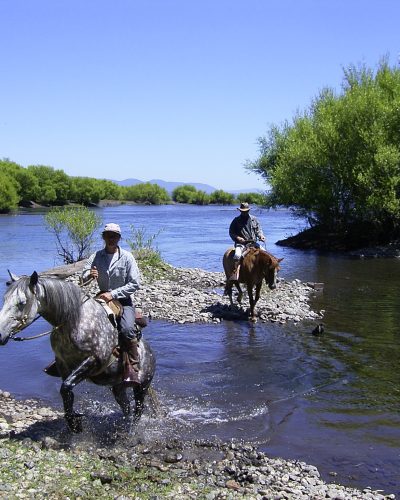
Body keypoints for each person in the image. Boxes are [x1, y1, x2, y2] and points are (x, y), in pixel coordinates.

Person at [82, 222, 141, 384]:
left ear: (119, 238)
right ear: (103, 237)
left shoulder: (127, 257)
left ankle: (133, 366)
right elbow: (84, 274)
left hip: (122, 300)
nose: (111, 238)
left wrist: (113, 293)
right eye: (108, 235)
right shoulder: (96, 256)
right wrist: (89, 274)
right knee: (80, 321)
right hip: (101, 298)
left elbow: (135, 283)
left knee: (128, 329)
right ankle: (68, 358)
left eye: (114, 236)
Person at [228, 202, 266, 280]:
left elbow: (259, 230)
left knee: (265, 254)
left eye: (246, 211)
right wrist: (238, 237)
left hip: (253, 243)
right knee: (237, 255)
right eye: (243, 211)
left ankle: (264, 274)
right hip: (241, 244)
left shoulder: (254, 219)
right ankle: (235, 273)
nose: (245, 212)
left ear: (249, 210)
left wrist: (261, 236)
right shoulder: (236, 220)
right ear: (240, 211)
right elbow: (231, 232)